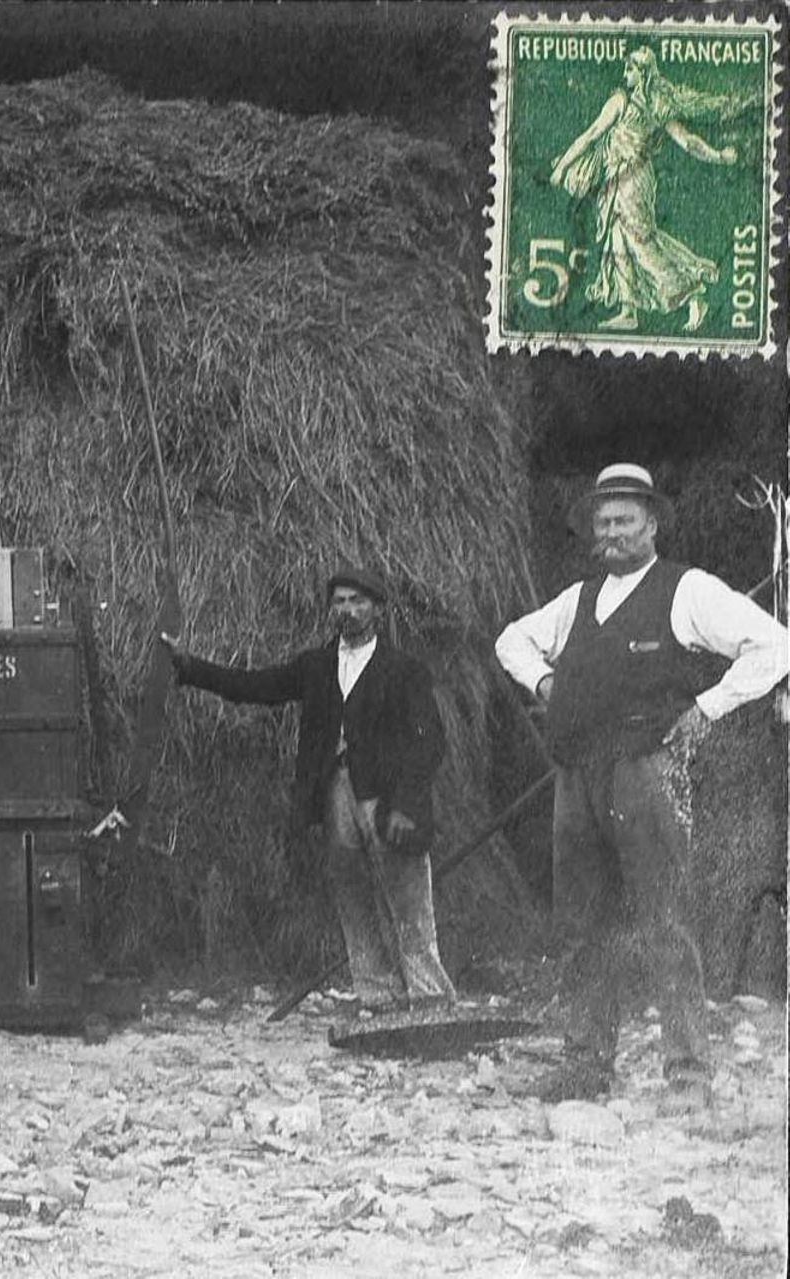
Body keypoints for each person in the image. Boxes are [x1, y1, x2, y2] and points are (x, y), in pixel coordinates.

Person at [496, 463, 788, 1109]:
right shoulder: (575, 602)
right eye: (603, 522)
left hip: (646, 774)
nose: (612, 532)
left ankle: (687, 1075)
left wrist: (707, 708)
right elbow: (510, 641)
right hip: (577, 777)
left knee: (664, 924)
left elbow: (775, 645)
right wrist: (546, 682)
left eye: (624, 519)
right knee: (583, 926)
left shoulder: (688, 591)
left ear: (652, 524)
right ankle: (584, 1064)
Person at [163, 568, 456, 1012]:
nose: (348, 610)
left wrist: (406, 805)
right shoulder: (316, 666)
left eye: (358, 601)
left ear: (378, 609)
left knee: (407, 900)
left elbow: (429, 741)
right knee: (353, 899)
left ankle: (431, 1000)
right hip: (336, 795)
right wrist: (190, 667)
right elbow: (254, 687)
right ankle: (380, 999)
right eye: (340, 602)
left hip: (387, 799)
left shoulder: (404, 671)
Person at [549, 47, 756, 333]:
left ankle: (691, 294)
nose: (625, 74)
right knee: (619, 240)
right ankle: (628, 310)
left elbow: (593, 134)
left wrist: (561, 167)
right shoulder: (652, 105)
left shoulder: (627, 102)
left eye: (630, 69)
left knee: (641, 244)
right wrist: (719, 156)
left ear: (643, 73)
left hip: (632, 181)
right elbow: (687, 141)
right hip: (618, 179)